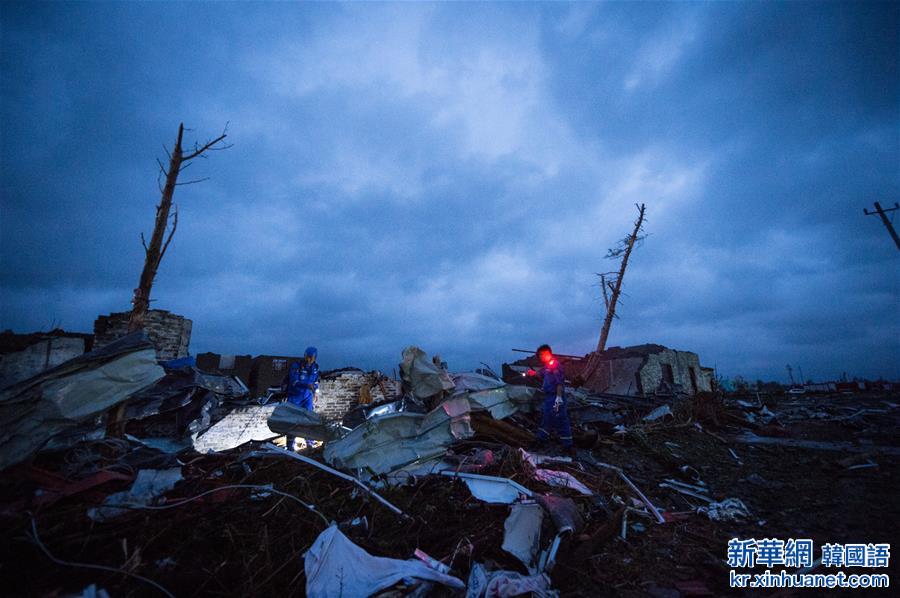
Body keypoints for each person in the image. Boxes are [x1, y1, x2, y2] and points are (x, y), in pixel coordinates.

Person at [529, 344, 573, 453]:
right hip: (549, 397)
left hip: (556, 397)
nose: (540, 358)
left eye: (541, 355)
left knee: (560, 419)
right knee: (548, 417)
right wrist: (532, 373)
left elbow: (559, 383)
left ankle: (567, 446)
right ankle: (541, 440)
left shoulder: (555, 365)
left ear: (546, 353)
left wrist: (558, 397)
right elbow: (540, 373)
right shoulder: (548, 366)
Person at [284, 346, 320, 451]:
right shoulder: (296, 366)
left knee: (308, 419)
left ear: (315, 358)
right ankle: (290, 445)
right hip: (295, 396)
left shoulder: (315, 368)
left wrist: (316, 393)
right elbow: (294, 381)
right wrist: (307, 385)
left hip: (307, 397)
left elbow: (316, 382)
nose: (308, 359)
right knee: (293, 420)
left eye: (311, 358)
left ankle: (309, 442)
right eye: (307, 357)